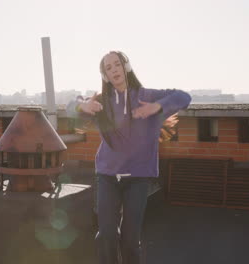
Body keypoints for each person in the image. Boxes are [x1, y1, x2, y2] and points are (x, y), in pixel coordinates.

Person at [67, 51, 191, 264]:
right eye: (108, 67)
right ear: (105, 75)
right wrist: (83, 106)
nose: (114, 69)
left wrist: (157, 107)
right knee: (107, 235)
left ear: (127, 67)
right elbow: (70, 105)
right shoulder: (101, 102)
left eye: (117, 64)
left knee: (130, 240)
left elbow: (184, 97)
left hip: (138, 178)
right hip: (107, 176)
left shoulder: (147, 96)